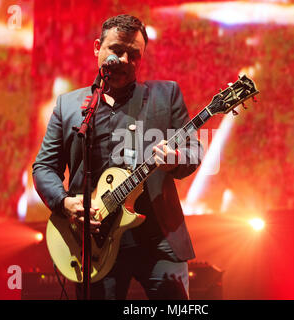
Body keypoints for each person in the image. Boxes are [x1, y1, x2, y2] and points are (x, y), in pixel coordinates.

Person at [32, 14, 202, 300]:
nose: (124, 59)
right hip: (94, 243)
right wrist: (65, 203)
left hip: (158, 238)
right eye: (116, 50)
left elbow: (193, 151)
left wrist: (175, 159)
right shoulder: (69, 106)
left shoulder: (165, 94)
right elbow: (44, 167)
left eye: (134, 55)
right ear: (97, 47)